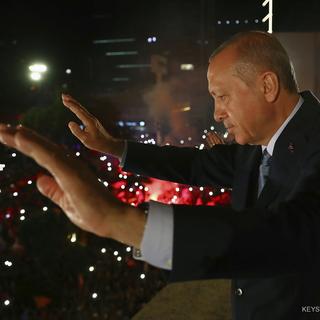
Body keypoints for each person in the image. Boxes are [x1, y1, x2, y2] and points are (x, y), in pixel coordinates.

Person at [1, 31, 320, 319]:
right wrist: (115, 147)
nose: (217, 113)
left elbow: (292, 233)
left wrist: (122, 222)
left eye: (222, 96)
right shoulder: (258, 144)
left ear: (267, 86)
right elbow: (196, 166)